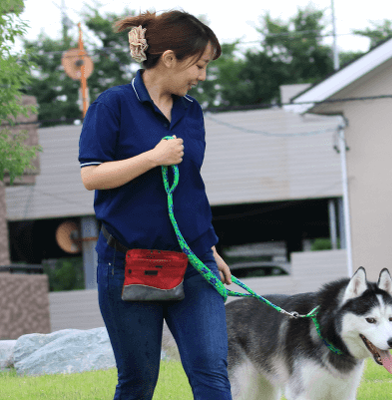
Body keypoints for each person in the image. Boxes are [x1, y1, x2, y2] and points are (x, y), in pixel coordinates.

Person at [78, 10, 232, 400]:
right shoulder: (112, 105)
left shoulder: (190, 111)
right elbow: (91, 176)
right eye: (199, 65)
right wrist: (151, 158)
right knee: (138, 382)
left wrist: (210, 249)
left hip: (194, 261)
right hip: (127, 264)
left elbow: (190, 188)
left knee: (213, 374)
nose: (202, 76)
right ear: (168, 58)